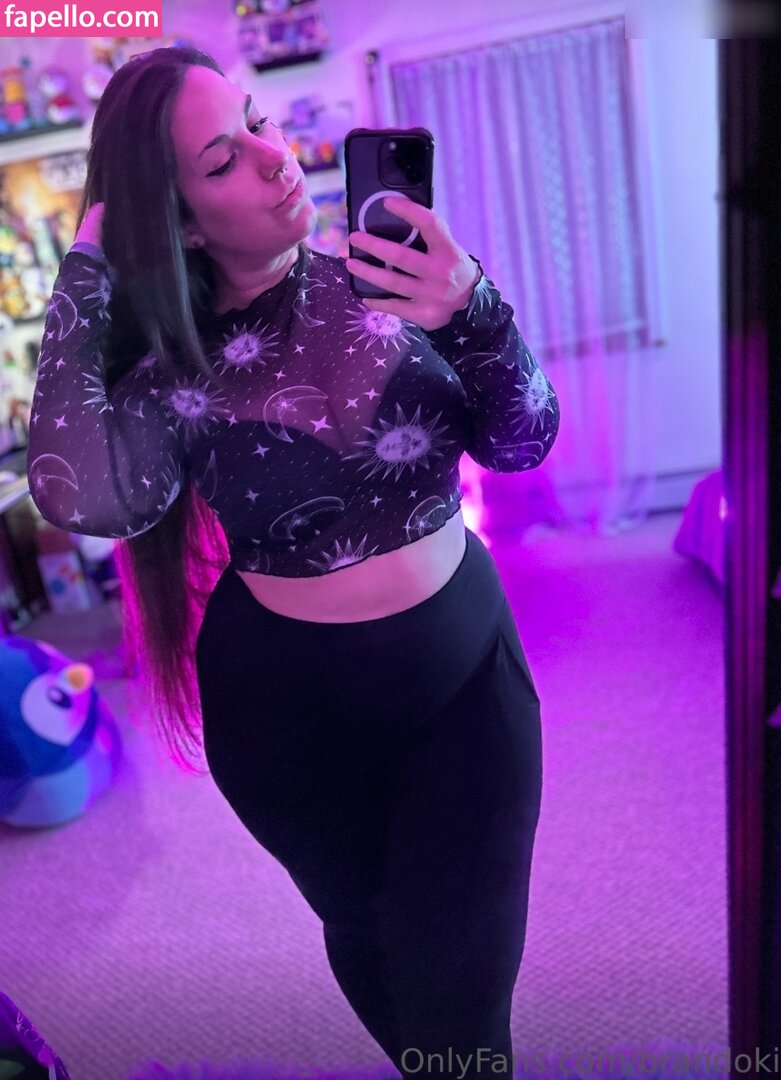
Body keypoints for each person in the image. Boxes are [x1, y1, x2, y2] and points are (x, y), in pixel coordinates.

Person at [26, 46, 560, 1080]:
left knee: (465, 1002)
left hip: (460, 683)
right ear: (181, 222)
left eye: (258, 122)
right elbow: (79, 494)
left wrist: (474, 308)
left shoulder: (404, 286)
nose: (274, 159)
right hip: (283, 716)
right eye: (223, 159)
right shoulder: (172, 371)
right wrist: (86, 270)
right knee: (363, 931)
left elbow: (523, 439)